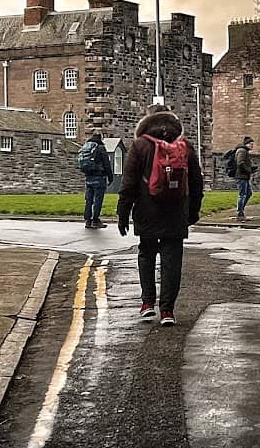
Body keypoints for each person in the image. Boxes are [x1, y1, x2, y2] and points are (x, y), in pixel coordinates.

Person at [117, 108, 204, 326]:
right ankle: (167, 311)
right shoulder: (184, 145)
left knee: (146, 255)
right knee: (172, 259)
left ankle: (147, 304)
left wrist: (123, 213)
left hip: (147, 211)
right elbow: (196, 182)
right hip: (176, 211)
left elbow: (128, 184)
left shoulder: (140, 145)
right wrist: (193, 211)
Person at [77, 130, 114, 229]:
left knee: (88, 199)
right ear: (100, 138)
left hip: (88, 177)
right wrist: (110, 177)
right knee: (98, 199)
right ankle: (95, 220)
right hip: (99, 177)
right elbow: (106, 164)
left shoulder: (86, 146)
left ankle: (88, 221)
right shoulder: (100, 148)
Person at [234, 136, 255, 220]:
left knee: (248, 193)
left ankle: (241, 211)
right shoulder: (242, 151)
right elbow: (240, 163)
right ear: (246, 144)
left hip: (244, 176)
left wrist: (251, 168)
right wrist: (248, 170)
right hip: (241, 176)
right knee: (242, 195)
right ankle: (240, 213)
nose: (252, 146)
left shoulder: (244, 151)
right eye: (251, 144)